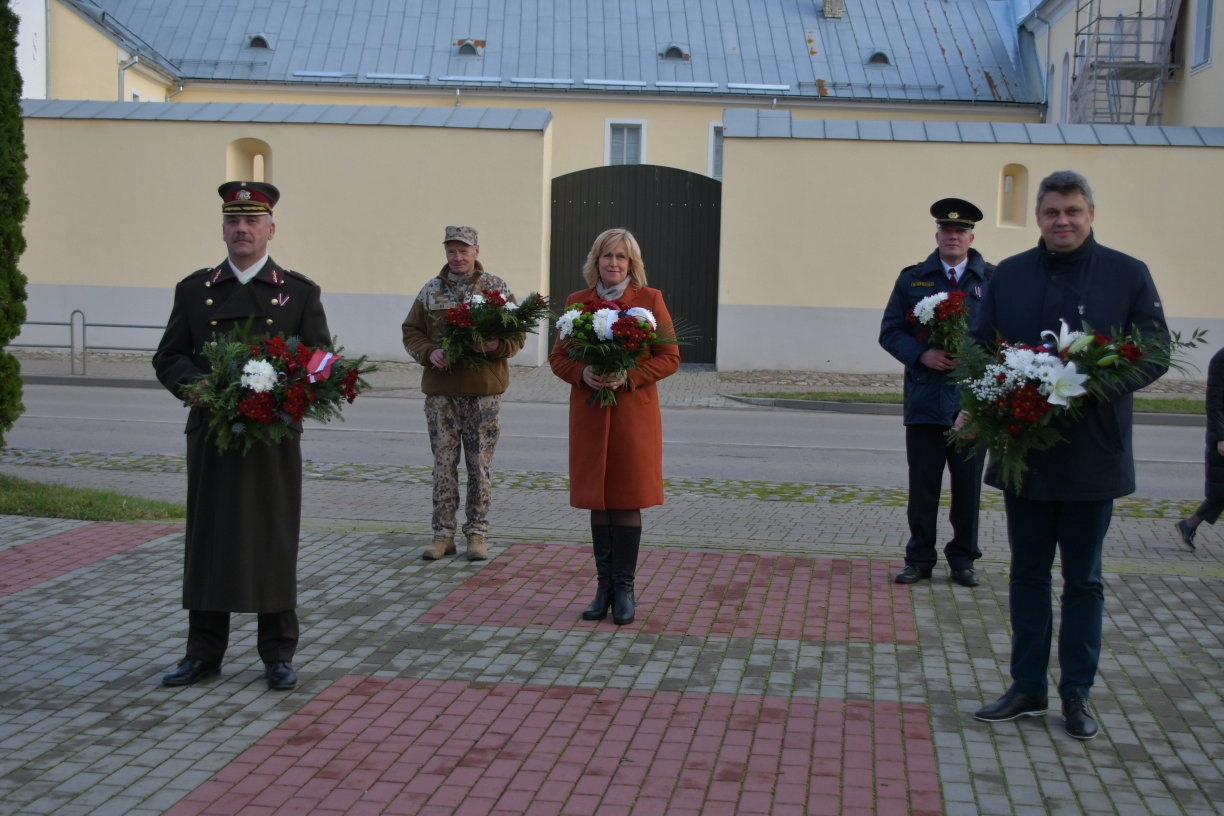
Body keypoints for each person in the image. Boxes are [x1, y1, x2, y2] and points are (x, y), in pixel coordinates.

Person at [970, 170, 1169, 740]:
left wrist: (1088, 387)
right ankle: (1026, 686)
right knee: (1028, 575)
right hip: (1024, 454)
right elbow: (982, 349)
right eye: (1053, 211)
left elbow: (1155, 352)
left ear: (1091, 214)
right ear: (1038, 216)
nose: (1063, 221)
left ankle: (1076, 694)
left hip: (1093, 454)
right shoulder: (1008, 276)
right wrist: (1002, 394)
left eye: (1074, 211)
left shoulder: (1127, 274)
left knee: (1083, 580)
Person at [153, 181, 331, 690]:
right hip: (212, 435)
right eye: (233, 221)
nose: (242, 230)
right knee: (209, 539)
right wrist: (199, 387)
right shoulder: (194, 290)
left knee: (271, 539)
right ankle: (203, 654)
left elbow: (318, 362)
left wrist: (287, 397)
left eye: (252, 221)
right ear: (224, 228)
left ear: (270, 229)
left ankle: (277, 655)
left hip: (272, 439)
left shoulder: (298, 292)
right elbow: (169, 356)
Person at [548, 228, 681, 626]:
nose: (613, 264)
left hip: (631, 416)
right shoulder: (577, 303)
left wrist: (629, 374)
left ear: (631, 263)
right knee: (598, 502)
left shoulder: (649, 300)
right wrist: (582, 370)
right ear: (596, 261)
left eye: (621, 257)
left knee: (625, 499)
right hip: (591, 415)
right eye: (607, 256)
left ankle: (624, 589)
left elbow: (670, 356)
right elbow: (558, 358)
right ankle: (602, 587)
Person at [880, 198, 993, 588]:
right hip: (927, 400)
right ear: (937, 235)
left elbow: (1005, 338)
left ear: (971, 237)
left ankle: (963, 558)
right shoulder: (914, 279)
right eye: (947, 230)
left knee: (967, 490)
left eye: (960, 231)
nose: (953, 236)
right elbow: (890, 331)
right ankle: (920, 558)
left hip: (972, 404)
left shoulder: (992, 281)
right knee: (923, 487)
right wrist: (922, 354)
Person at [402, 226, 523, 562]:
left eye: (463, 250)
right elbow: (411, 331)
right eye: (451, 251)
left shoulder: (495, 288)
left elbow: (518, 334)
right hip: (441, 395)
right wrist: (429, 352)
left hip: (483, 394)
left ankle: (477, 534)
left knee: (478, 465)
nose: (457, 257)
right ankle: (442, 535)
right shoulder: (431, 290)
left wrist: (497, 345)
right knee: (443, 465)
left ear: (476, 251)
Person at [1176, 346, 1224, 549]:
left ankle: (1189, 524)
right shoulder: (1221, 359)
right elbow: (1214, 403)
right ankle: (1189, 524)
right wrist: (1221, 437)